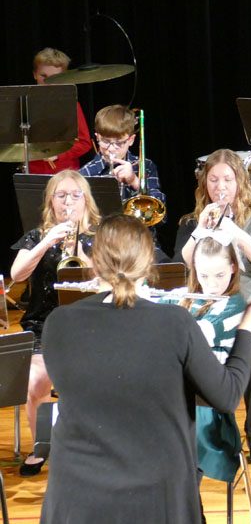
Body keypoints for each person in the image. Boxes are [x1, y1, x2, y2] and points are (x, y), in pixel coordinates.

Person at [38, 214, 251, 523]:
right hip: (156, 497)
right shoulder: (175, 323)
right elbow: (227, 395)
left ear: (94, 263)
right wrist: (247, 329)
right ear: (149, 265)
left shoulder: (58, 323)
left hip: (76, 497)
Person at [174, 149, 251, 465]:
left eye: (227, 178)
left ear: (240, 181)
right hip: (209, 304)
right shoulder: (190, 221)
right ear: (204, 184)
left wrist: (233, 229)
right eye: (213, 179)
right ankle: (201, 433)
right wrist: (202, 229)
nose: (220, 186)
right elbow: (180, 264)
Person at [10, 170, 100, 476]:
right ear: (51, 201)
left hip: (88, 327)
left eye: (75, 195)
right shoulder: (38, 235)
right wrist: (47, 241)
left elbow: (107, 283)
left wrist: (81, 255)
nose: (68, 202)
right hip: (42, 326)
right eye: (61, 195)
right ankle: (42, 446)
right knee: (34, 385)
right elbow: (17, 274)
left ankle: (88, 449)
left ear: (86, 200)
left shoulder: (99, 236)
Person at [166, 232, 248, 486]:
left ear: (233, 268)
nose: (211, 285)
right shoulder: (191, 297)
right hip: (180, 397)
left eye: (219, 275)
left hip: (206, 406)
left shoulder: (235, 306)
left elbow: (194, 334)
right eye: (203, 276)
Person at [79, 104, 165, 205]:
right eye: (105, 141)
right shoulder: (85, 173)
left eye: (118, 143)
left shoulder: (145, 166)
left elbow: (160, 215)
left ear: (131, 140)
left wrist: (134, 181)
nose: (110, 149)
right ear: (97, 137)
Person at [28, 48, 93, 174]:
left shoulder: (71, 105)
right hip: (33, 172)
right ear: (34, 74)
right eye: (43, 76)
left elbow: (85, 143)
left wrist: (59, 155)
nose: (48, 82)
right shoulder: (24, 103)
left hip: (65, 172)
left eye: (55, 77)